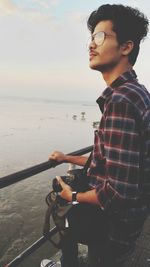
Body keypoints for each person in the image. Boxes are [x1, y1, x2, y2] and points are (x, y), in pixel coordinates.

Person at [41, 4, 150, 267]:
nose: (91, 45)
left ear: (126, 47)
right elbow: (111, 161)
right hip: (129, 225)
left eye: (100, 37)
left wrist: (72, 197)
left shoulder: (121, 101)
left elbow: (117, 194)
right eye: (91, 38)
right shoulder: (137, 92)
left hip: (112, 231)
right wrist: (67, 157)